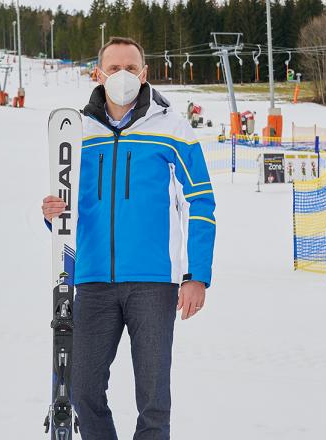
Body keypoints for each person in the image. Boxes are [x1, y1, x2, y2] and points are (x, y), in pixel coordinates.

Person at [40, 36, 216, 440]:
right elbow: (67, 211)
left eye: (131, 68)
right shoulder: (78, 132)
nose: (122, 76)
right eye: (114, 68)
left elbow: (201, 204)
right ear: (98, 74)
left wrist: (197, 275)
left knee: (154, 399)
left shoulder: (173, 129)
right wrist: (52, 216)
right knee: (81, 389)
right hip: (93, 279)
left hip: (153, 283)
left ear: (145, 73)